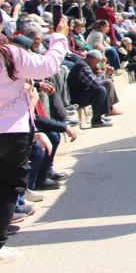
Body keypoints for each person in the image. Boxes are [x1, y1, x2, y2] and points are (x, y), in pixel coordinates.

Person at [1, 17, 69, 264]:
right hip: (11, 130)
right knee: (7, 187)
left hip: (13, 129)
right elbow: (48, 65)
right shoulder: (10, 54)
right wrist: (59, 37)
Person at [66, 50, 115, 126]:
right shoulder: (83, 66)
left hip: (80, 94)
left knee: (104, 85)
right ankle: (96, 121)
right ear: (92, 59)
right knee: (100, 90)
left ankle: (100, 116)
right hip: (75, 99)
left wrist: (104, 73)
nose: (97, 64)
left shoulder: (86, 63)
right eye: (97, 62)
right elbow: (96, 84)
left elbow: (95, 80)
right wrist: (103, 72)